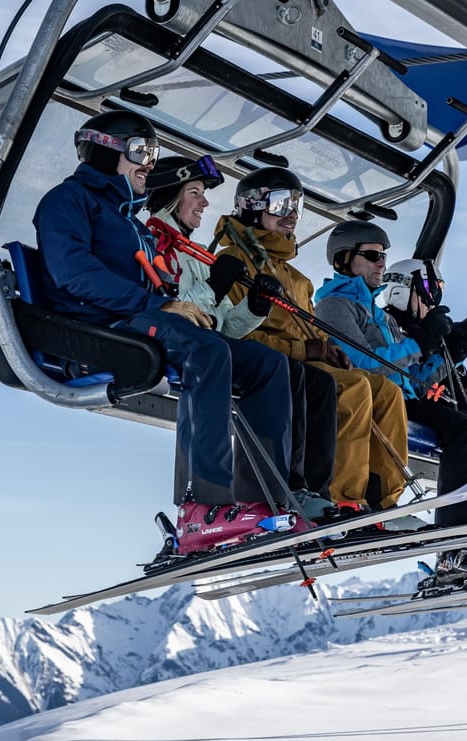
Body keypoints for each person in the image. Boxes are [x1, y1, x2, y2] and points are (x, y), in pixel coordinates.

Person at [33, 110, 303, 557]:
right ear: (103, 151)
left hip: (140, 317)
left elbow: (161, 287)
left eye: (153, 153)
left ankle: (261, 500)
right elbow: (73, 273)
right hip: (98, 324)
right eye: (140, 151)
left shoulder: (130, 220)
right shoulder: (68, 201)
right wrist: (158, 305)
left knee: (267, 365)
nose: (149, 162)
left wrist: (198, 302)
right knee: (206, 351)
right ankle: (203, 506)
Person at [312, 221, 467, 579]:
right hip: (378, 400)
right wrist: (421, 343)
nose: (381, 262)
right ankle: (456, 548)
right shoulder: (335, 305)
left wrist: (454, 352)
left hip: (402, 397)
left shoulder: (378, 314)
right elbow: (367, 364)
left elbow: (415, 379)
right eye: (372, 256)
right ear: (344, 259)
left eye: (383, 256)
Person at [144, 155, 338, 520]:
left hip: (209, 342)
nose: (204, 202)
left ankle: (281, 492)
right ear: (170, 195)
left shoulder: (193, 253)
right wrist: (216, 285)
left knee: (297, 373)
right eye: (195, 193)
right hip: (172, 342)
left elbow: (222, 325)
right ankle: (227, 497)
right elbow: (177, 311)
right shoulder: (157, 244)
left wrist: (255, 305)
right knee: (265, 363)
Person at [216, 167, 409, 515]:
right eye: (281, 203)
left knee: (386, 391)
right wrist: (305, 349)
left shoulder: (298, 279)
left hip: (306, 360)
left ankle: (384, 500)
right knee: (353, 387)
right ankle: (343, 496)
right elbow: (235, 331)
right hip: (275, 361)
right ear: (252, 205)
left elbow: (313, 330)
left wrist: (328, 349)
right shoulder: (234, 261)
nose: (291, 213)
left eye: (297, 205)